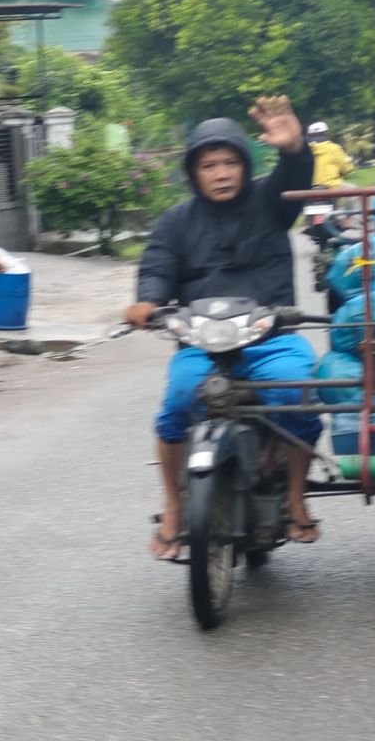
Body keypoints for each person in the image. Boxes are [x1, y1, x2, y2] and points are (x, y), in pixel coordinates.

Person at [124, 96, 323, 559]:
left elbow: (294, 180)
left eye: (231, 162)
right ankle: (173, 506)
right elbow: (156, 268)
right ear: (193, 172)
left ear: (244, 165)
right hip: (203, 344)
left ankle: (296, 497)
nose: (221, 173)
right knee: (176, 406)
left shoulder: (270, 204)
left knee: (298, 397)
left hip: (272, 340)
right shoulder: (174, 222)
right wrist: (147, 303)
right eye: (210, 164)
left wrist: (295, 151)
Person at [307, 121, 354, 189]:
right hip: (332, 186)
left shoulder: (306, 150)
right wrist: (349, 163)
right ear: (325, 133)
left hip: (311, 188)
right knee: (355, 191)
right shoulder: (333, 148)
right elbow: (346, 169)